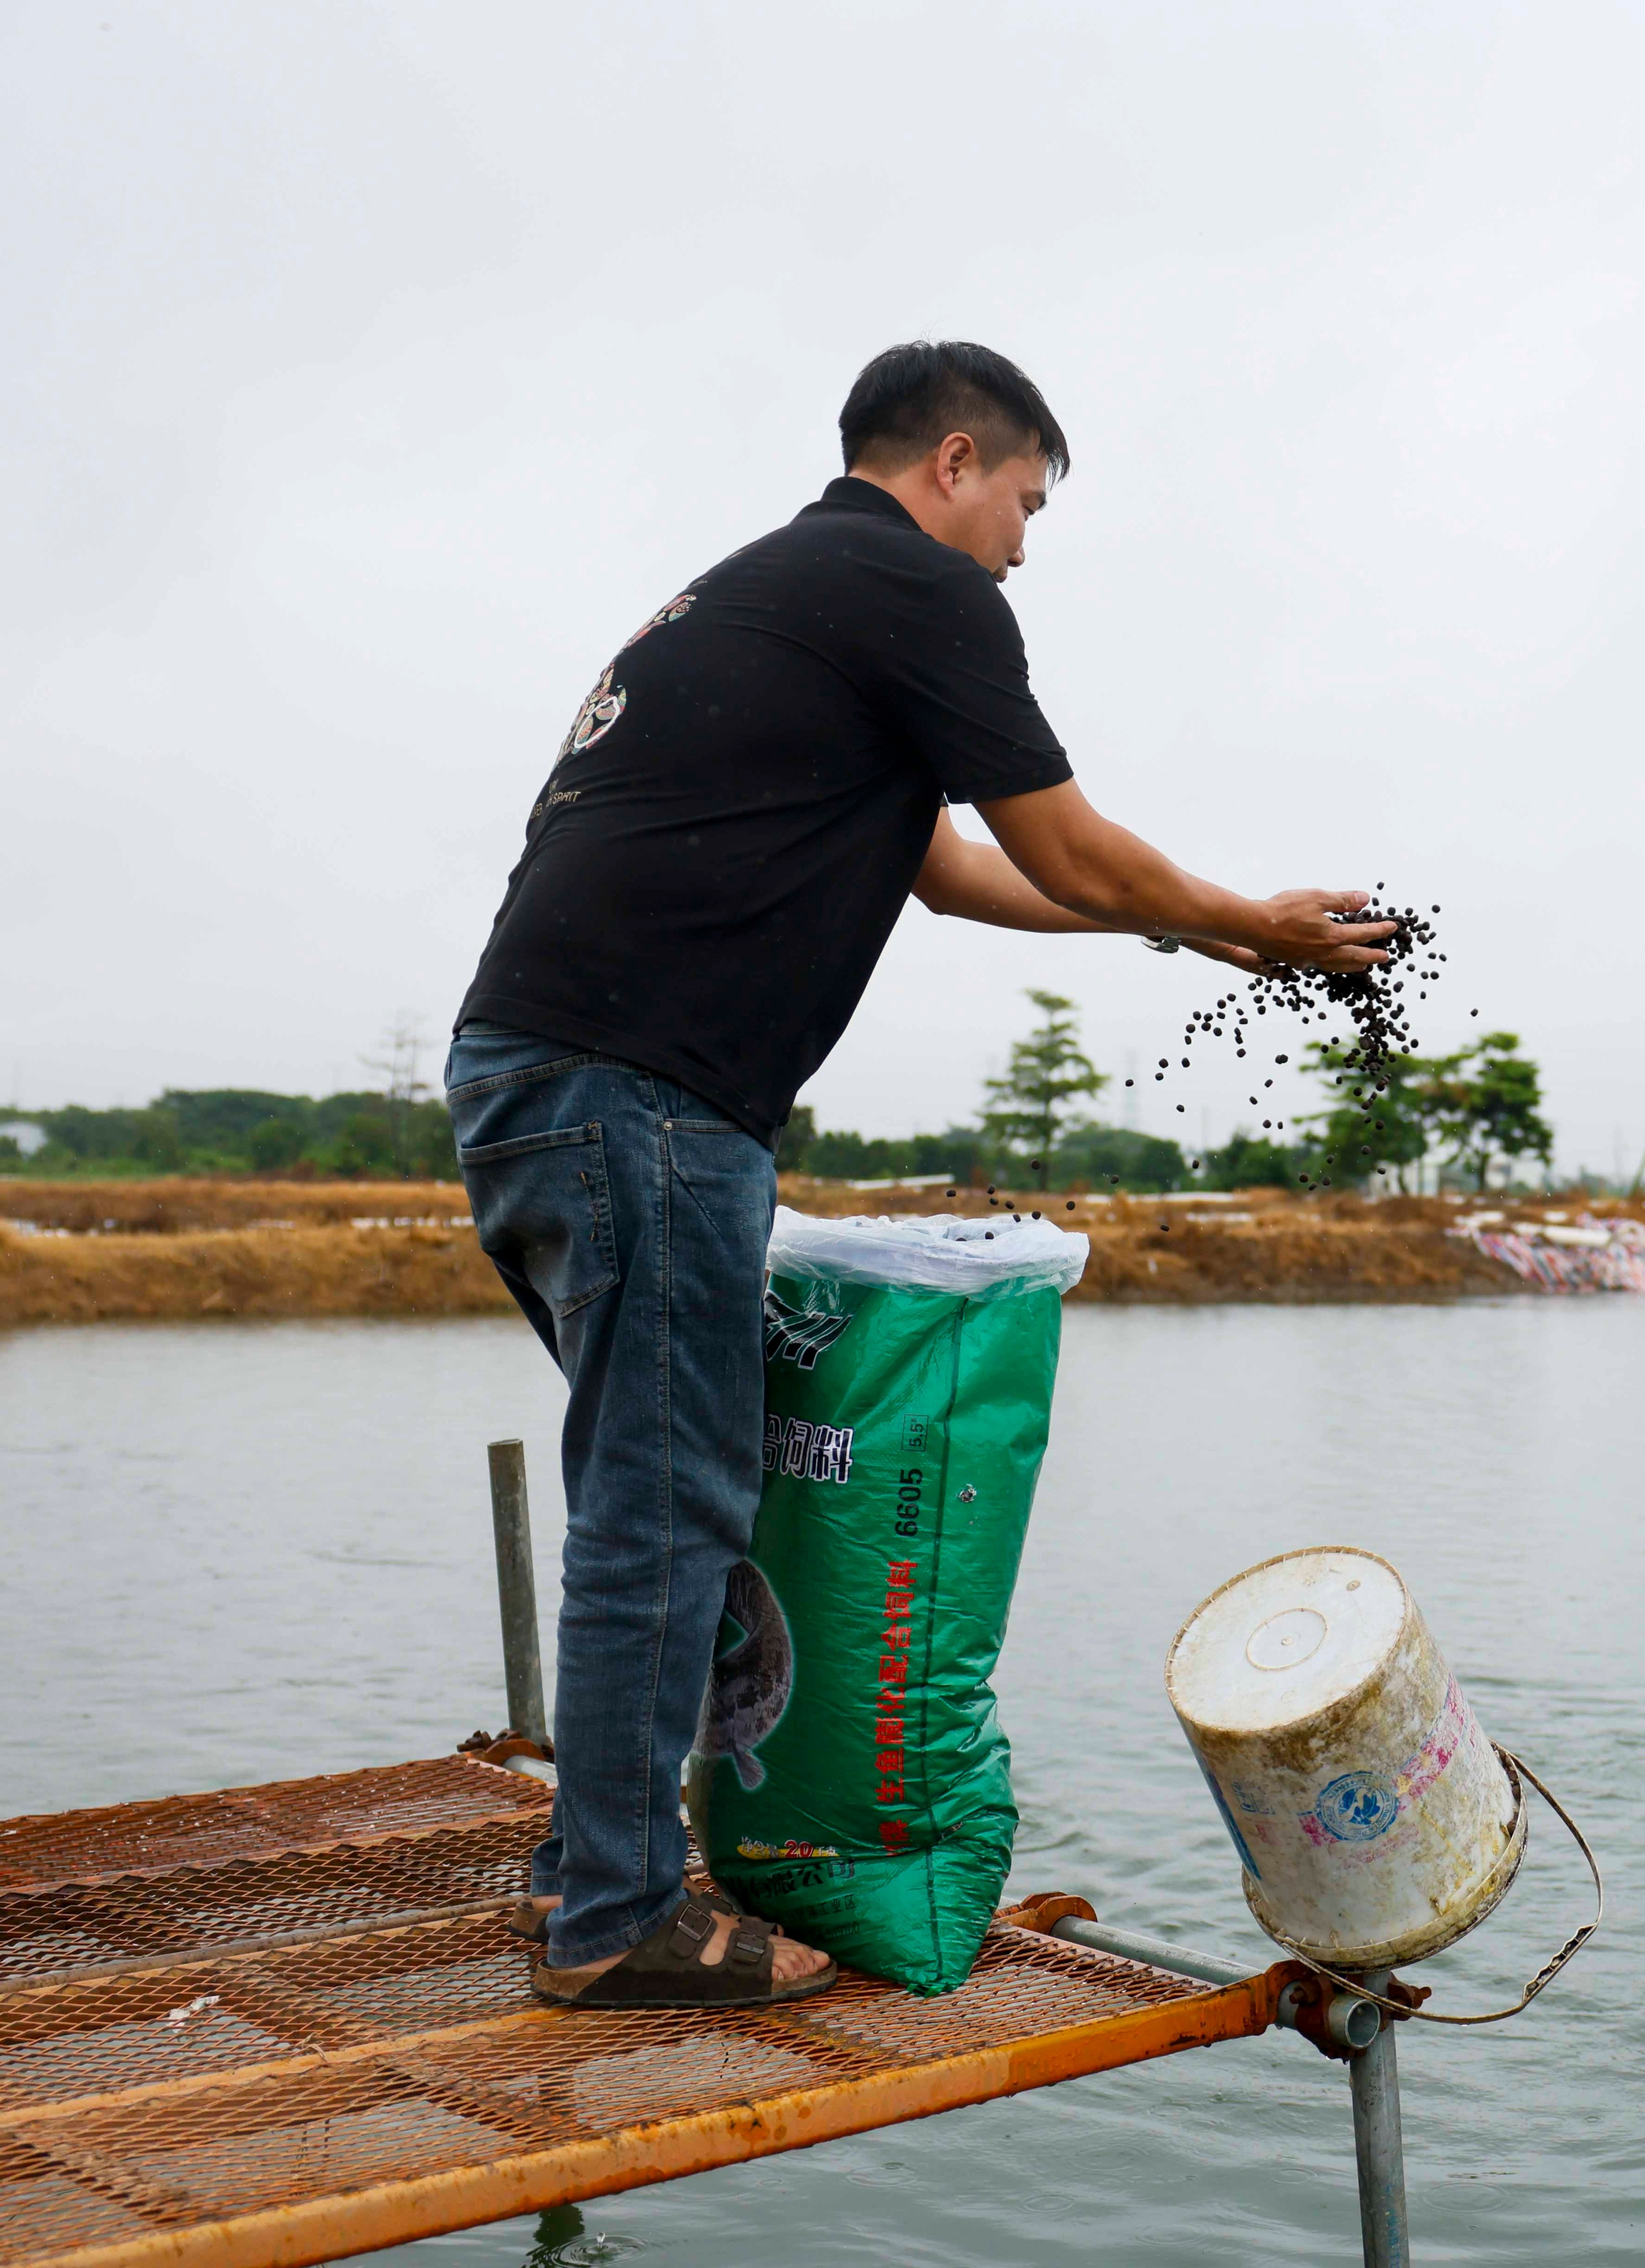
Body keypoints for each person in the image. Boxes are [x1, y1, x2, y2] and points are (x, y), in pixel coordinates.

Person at [447, 341, 1391, 2007]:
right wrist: (1256, 927)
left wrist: (1194, 935)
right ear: (959, 460)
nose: (1026, 546)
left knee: (660, 1490)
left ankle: (590, 1866)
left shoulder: (757, 593)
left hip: (536, 1086)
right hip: (643, 1099)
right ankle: (611, 1920)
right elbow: (1061, 840)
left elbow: (951, 871)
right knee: (666, 1511)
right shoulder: (912, 587)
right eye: (1027, 504)